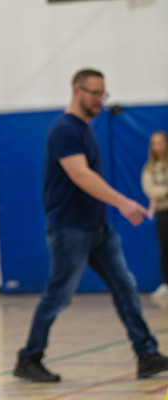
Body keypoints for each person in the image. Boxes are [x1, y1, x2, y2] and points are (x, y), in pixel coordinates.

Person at [13, 68, 168, 383]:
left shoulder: (85, 128)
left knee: (125, 288)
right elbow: (80, 175)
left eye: (103, 94)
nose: (100, 100)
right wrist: (123, 203)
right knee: (59, 295)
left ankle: (147, 354)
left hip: (97, 229)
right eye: (94, 93)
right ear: (76, 91)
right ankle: (29, 358)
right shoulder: (64, 130)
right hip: (70, 229)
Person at [141, 130, 168, 307]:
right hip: (161, 211)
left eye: (160, 142)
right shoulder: (149, 168)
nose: (157, 146)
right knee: (164, 247)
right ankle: (166, 284)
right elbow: (150, 190)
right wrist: (162, 192)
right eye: (154, 143)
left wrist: (159, 194)